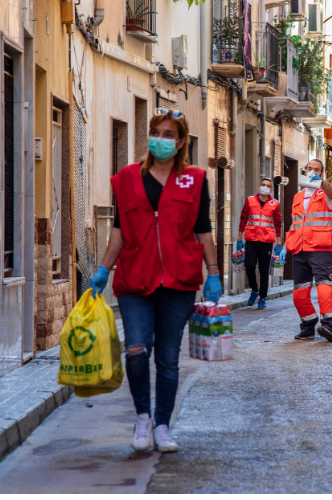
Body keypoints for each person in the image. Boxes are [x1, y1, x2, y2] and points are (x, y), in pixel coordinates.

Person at [91, 109, 222, 454]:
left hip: (178, 281)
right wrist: (103, 269)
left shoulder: (193, 179)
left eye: (168, 135)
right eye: (156, 132)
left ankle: (163, 425)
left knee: (166, 357)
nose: (161, 139)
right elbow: (118, 232)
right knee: (136, 349)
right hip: (135, 279)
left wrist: (214, 273)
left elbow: (203, 230)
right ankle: (142, 417)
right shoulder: (127, 178)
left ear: (180, 143)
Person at [286, 159, 332, 341]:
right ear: (304, 170)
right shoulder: (297, 197)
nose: (312, 171)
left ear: (321, 174)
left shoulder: (327, 193)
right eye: (309, 169)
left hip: (320, 247)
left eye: (316, 170)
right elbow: (296, 224)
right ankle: (308, 326)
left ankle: (330, 327)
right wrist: (286, 245)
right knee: (299, 294)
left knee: (324, 288)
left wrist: (321, 182)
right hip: (299, 248)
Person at [238, 178, 282, 309]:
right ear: (259, 187)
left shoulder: (275, 204)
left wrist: (279, 243)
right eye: (263, 185)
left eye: (268, 186)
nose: (265, 187)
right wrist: (239, 238)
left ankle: (262, 297)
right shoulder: (250, 200)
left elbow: (278, 224)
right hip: (251, 239)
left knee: (264, 270)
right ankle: (254, 289)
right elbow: (243, 218)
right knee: (249, 265)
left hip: (266, 241)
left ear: (271, 190)